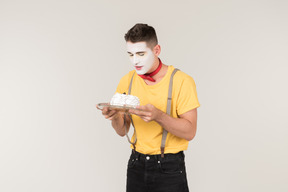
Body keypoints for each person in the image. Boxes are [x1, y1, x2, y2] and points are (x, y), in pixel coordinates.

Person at [97, 23, 200, 192]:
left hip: (169, 167)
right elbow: (122, 131)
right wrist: (115, 115)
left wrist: (158, 116)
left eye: (141, 54)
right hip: (136, 164)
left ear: (157, 50)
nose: (135, 61)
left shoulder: (181, 81)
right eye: (130, 54)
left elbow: (190, 131)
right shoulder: (127, 80)